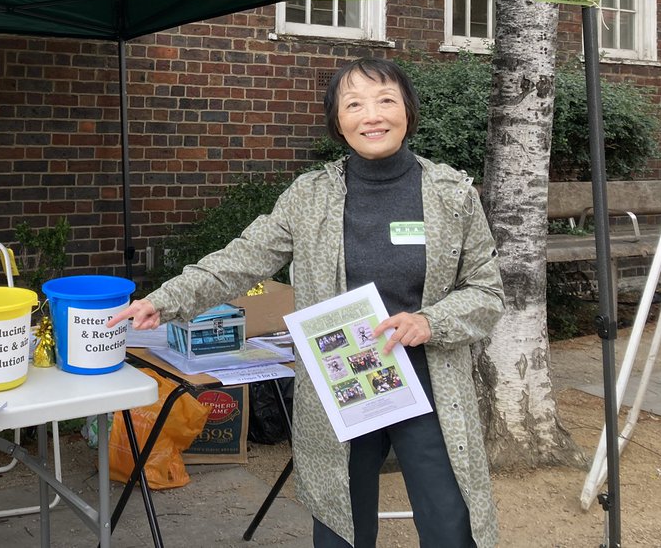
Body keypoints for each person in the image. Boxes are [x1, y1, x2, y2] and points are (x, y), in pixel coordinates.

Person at [109, 57, 504, 548]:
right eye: (353, 104)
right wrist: (165, 301)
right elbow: (241, 259)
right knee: (340, 518)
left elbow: (487, 292)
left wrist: (430, 321)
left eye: (386, 100)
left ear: (408, 111)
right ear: (338, 121)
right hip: (339, 375)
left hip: (429, 377)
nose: (371, 115)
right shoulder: (310, 196)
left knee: (450, 519)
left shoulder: (452, 194)